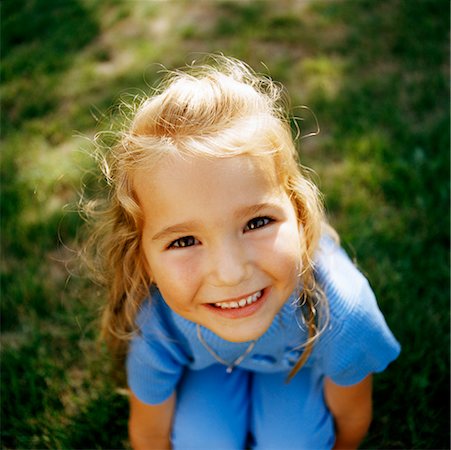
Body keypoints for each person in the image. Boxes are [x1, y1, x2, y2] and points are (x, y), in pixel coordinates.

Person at [86, 56, 400, 449]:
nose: (231, 274)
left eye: (256, 223)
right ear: (142, 258)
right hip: (209, 370)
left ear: (300, 218)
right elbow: (150, 433)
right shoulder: (158, 325)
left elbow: (350, 418)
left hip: (295, 369)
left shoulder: (342, 312)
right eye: (184, 241)